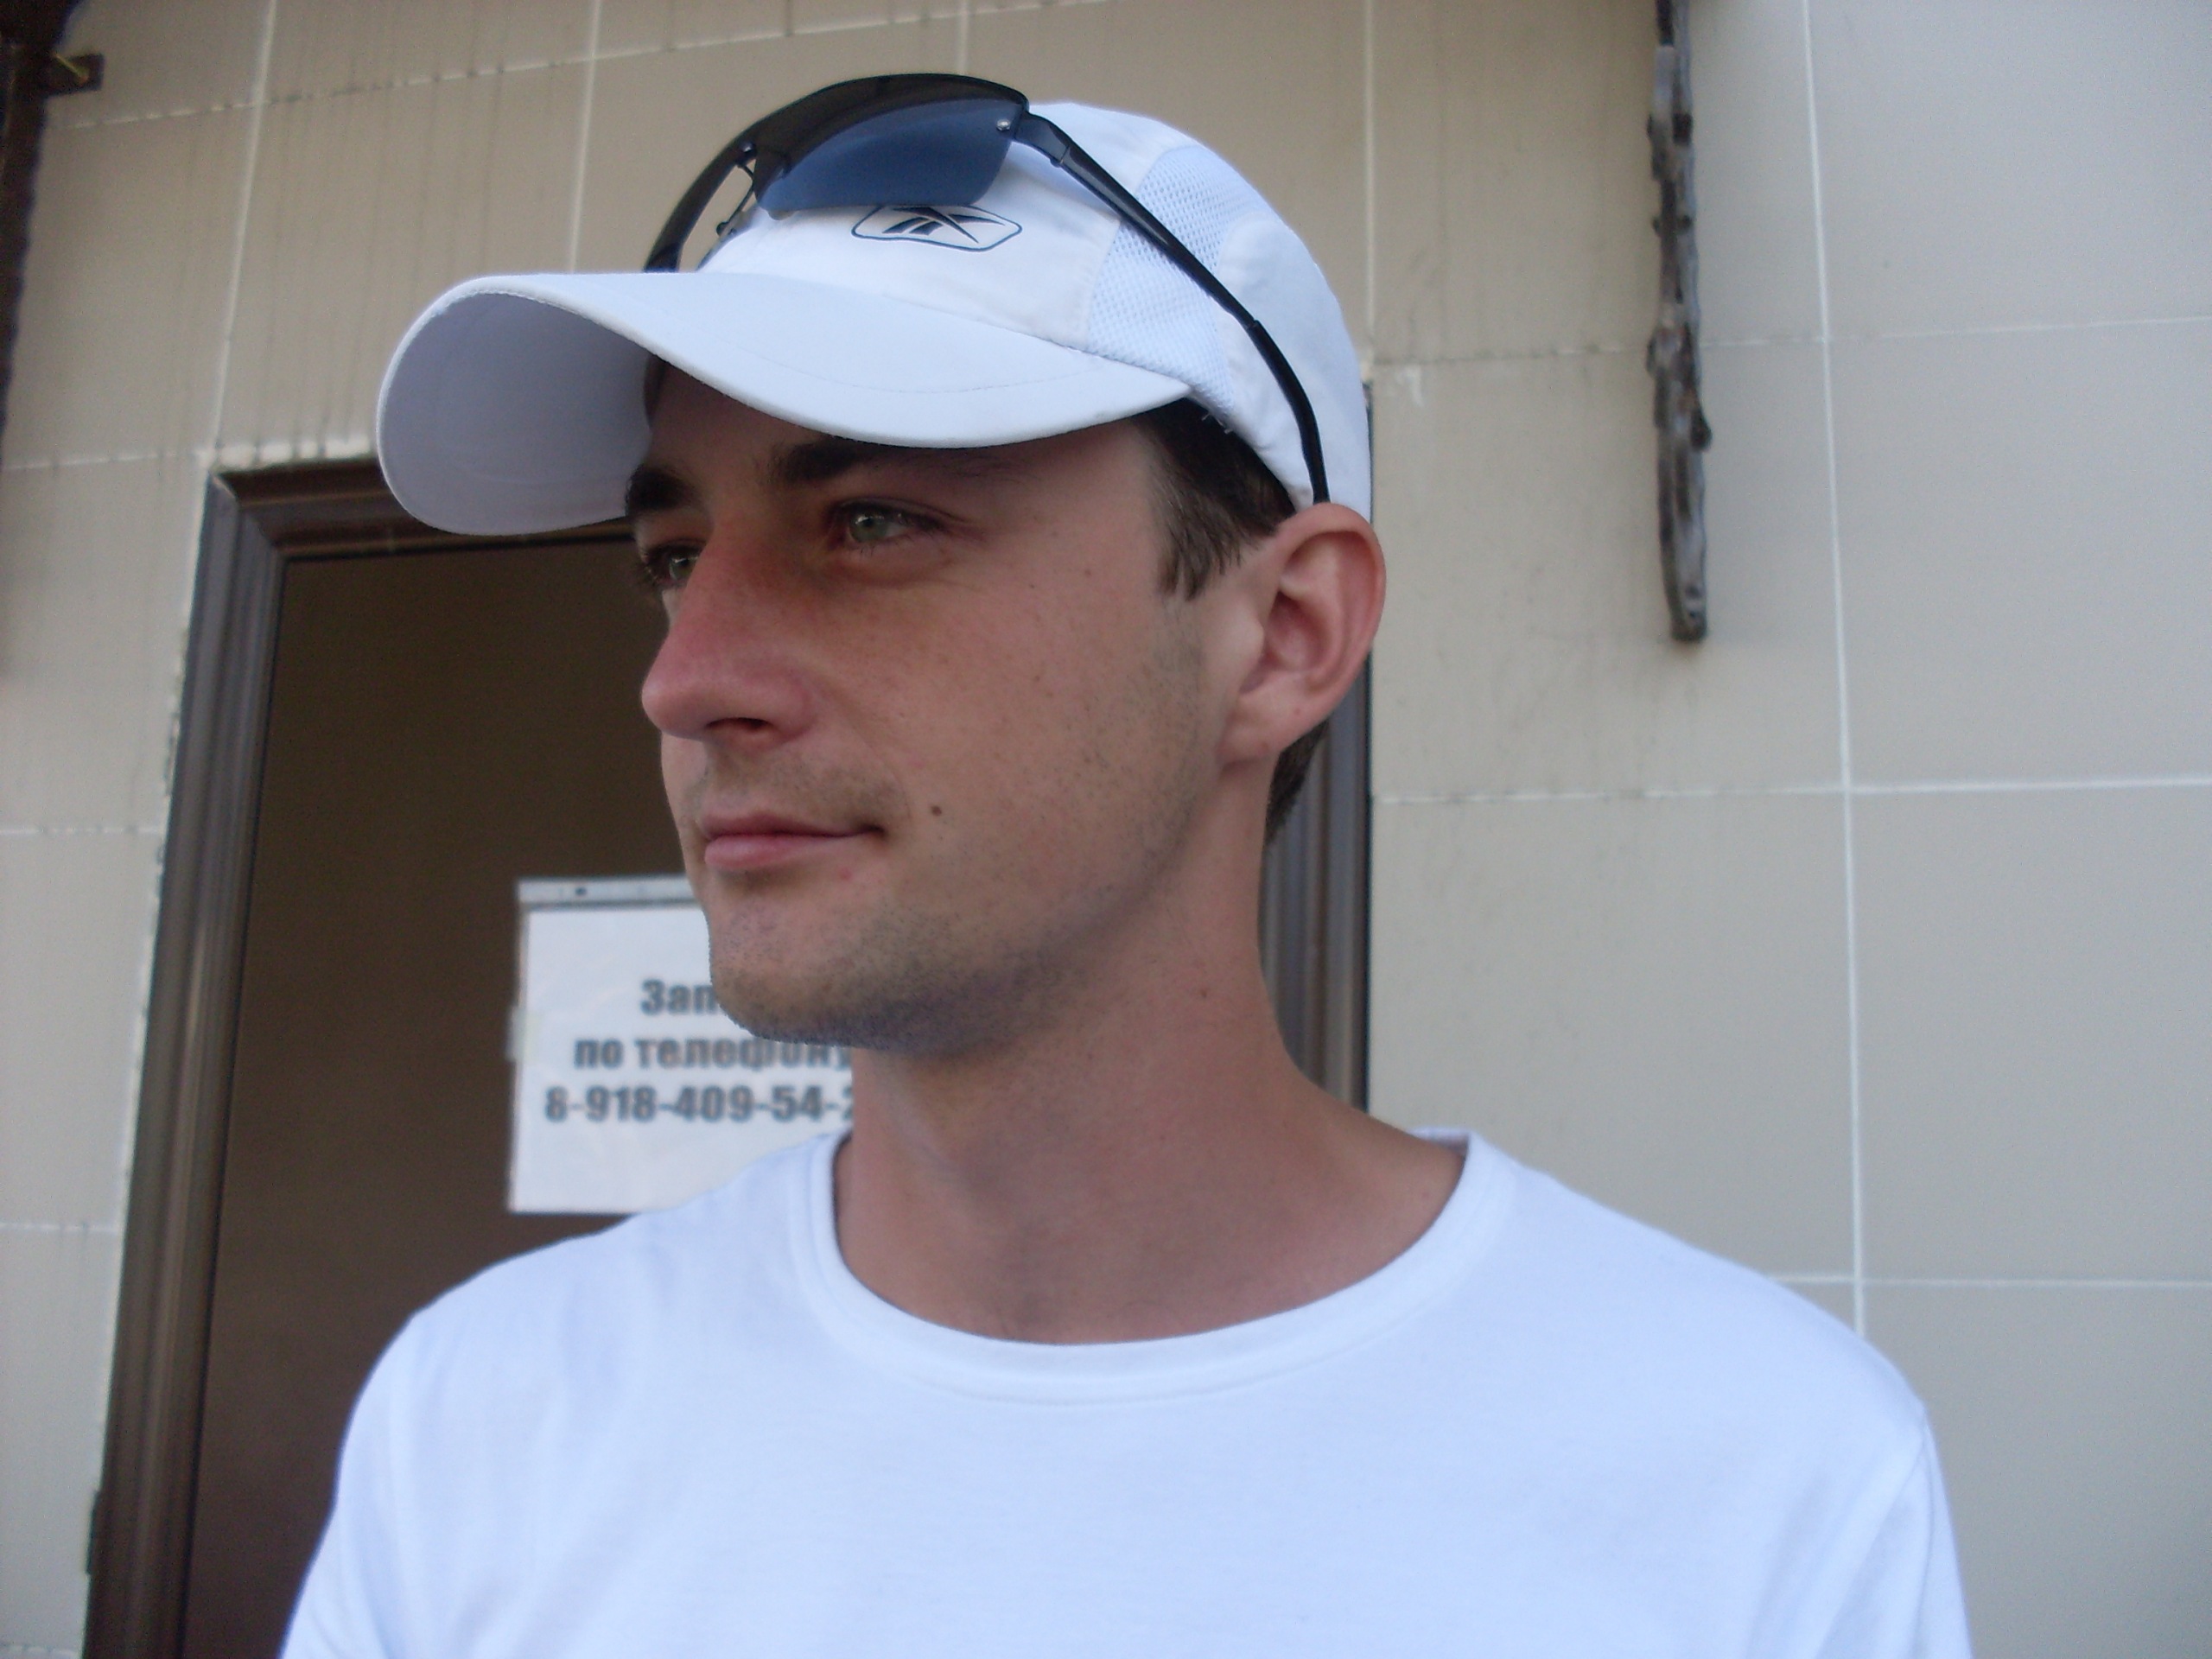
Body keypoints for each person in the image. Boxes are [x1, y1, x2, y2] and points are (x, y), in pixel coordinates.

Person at [288, 79, 1970, 1656]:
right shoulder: (484, 1428)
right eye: (672, 556)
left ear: (1283, 635)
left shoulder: (1760, 1481)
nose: (685, 679)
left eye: (873, 522)